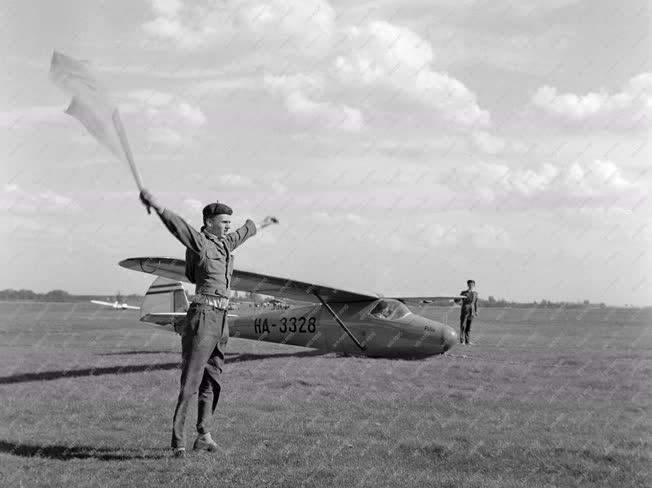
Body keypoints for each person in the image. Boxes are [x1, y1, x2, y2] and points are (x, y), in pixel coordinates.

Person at [139, 189, 278, 458]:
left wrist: (264, 222)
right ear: (210, 222)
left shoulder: (225, 244)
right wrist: (156, 204)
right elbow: (178, 226)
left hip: (222, 320)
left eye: (229, 223)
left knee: (213, 380)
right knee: (191, 381)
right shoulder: (199, 242)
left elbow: (245, 233)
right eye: (224, 222)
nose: (229, 227)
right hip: (202, 316)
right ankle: (178, 442)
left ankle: (204, 435)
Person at [459, 280, 478, 345]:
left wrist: (476, 311)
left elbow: (475, 303)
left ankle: (468, 341)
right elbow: (457, 300)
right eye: (469, 284)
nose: (471, 286)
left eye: (472, 284)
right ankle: (462, 341)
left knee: (469, 327)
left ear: (474, 285)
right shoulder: (463, 292)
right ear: (467, 285)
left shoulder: (475, 293)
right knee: (463, 326)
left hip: (472, 311)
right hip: (465, 310)